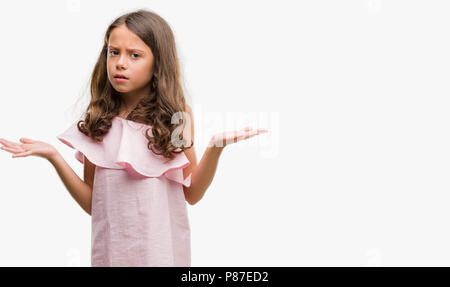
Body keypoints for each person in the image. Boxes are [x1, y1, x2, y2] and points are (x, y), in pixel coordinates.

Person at [0, 9, 267, 267]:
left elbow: (193, 193)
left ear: (157, 64)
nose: (120, 63)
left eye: (135, 55)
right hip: (110, 257)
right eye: (113, 52)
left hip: (162, 256)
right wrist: (54, 156)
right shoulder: (99, 118)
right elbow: (94, 205)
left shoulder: (176, 117)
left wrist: (215, 148)